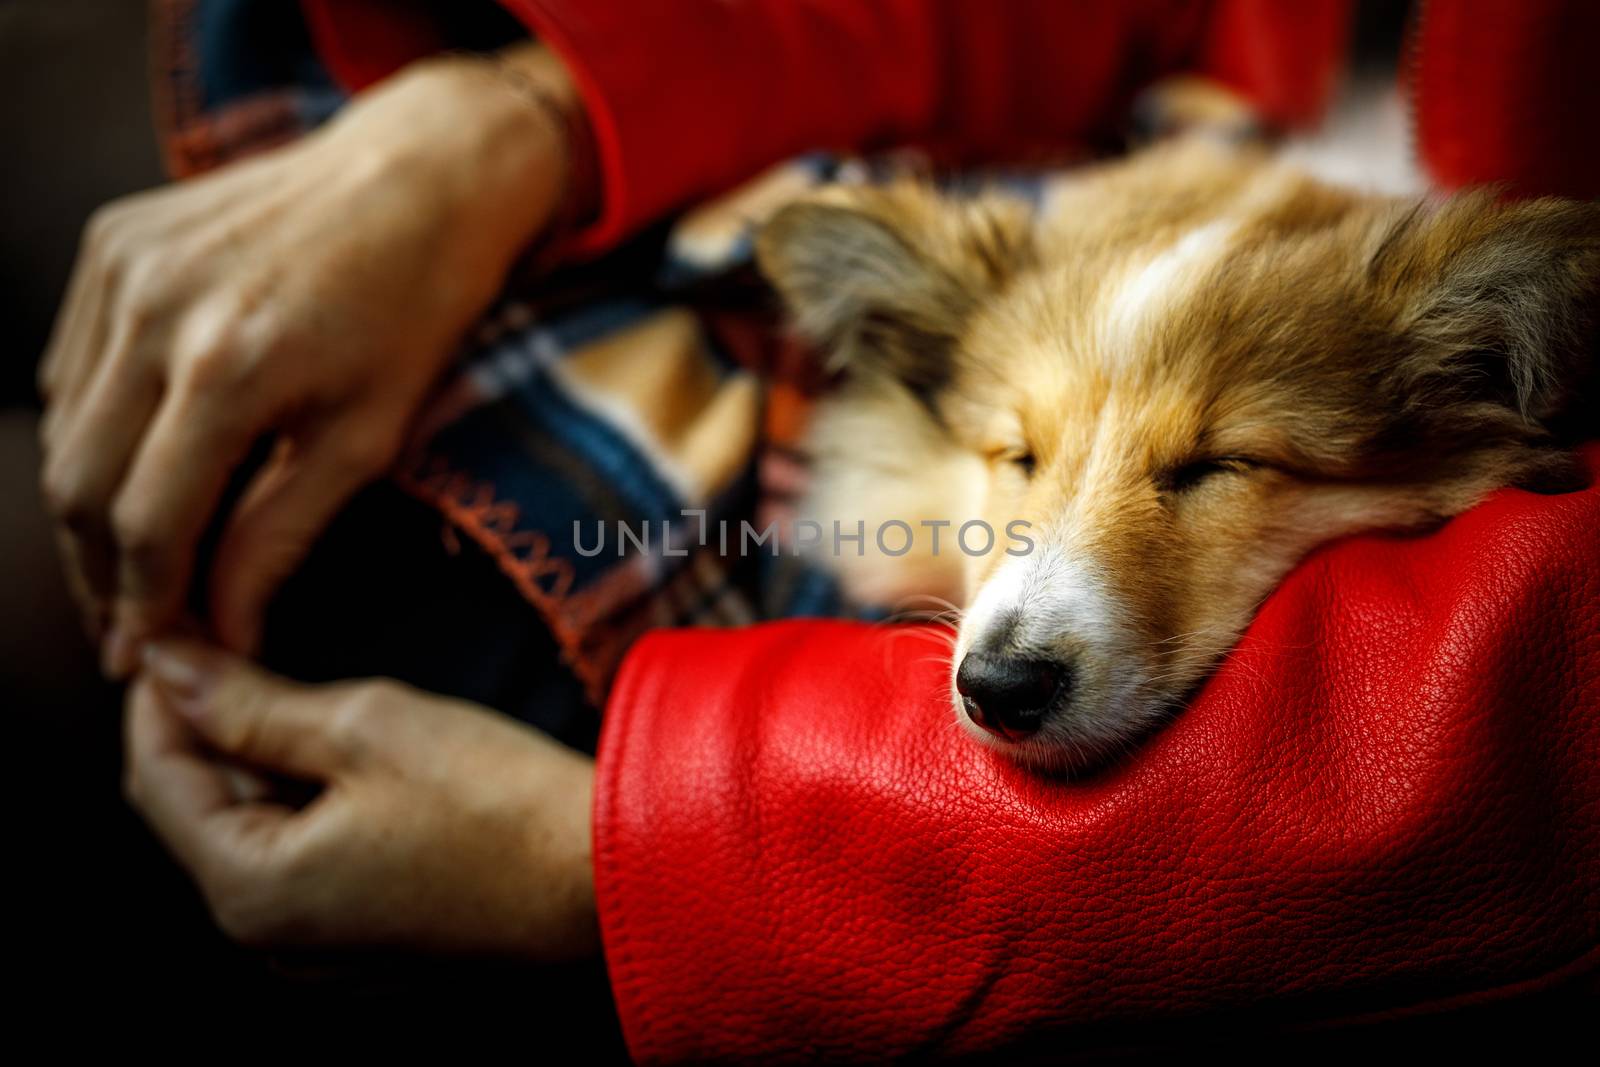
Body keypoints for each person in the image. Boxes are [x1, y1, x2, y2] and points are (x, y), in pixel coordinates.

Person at [31, 1, 1600, 1060]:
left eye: (1211, 473)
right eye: (1028, 459)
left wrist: (604, 858)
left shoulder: (1453, 341)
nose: (1019, 627)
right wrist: (545, 110)